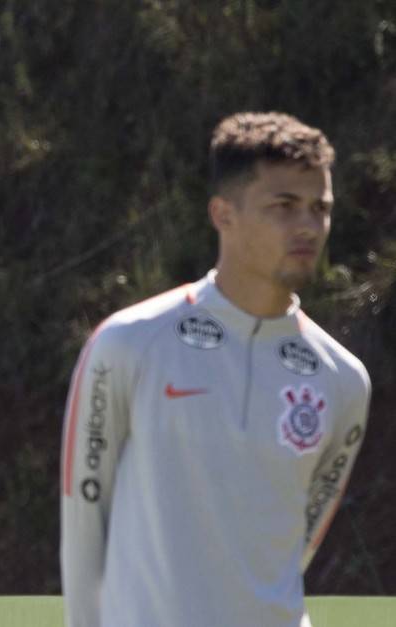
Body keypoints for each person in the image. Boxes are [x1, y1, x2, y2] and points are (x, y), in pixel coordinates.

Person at [60, 112, 371, 627]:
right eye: (284, 206)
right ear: (223, 214)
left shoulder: (342, 379)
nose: (308, 227)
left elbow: (300, 542)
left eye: (320, 208)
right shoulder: (130, 342)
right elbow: (84, 520)